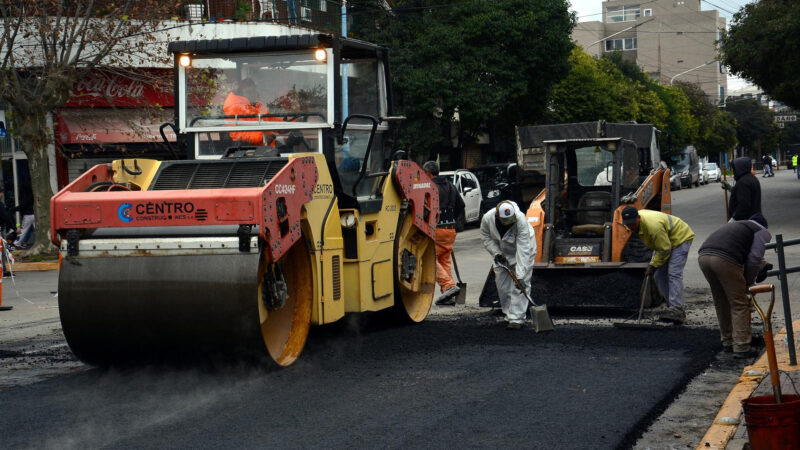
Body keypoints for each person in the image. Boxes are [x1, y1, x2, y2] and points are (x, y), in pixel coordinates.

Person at [698, 213, 770, 358]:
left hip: (704, 257)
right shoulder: (761, 230)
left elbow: (745, 254)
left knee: (721, 302)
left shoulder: (738, 226)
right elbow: (754, 259)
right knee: (739, 303)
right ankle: (742, 346)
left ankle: (728, 342)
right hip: (724, 259)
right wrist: (749, 283)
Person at [620, 207, 695, 324]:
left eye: (633, 224)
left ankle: (677, 309)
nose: (631, 227)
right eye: (628, 224)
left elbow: (664, 250)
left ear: (638, 218)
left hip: (680, 238)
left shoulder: (653, 227)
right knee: (659, 276)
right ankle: (671, 306)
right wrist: (654, 265)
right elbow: (661, 246)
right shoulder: (630, 224)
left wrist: (653, 265)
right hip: (663, 241)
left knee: (674, 273)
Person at [480, 200, 536, 329]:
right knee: (503, 286)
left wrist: (521, 275)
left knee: (519, 287)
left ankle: (517, 319)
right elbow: (485, 236)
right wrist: (497, 253)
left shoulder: (520, 219)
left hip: (521, 251)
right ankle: (508, 315)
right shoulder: (487, 218)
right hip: (502, 252)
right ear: (498, 217)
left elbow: (523, 248)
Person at [423, 161, 466, 306]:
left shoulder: (429, 187)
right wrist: (453, 219)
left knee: (428, 259)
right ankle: (449, 296)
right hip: (450, 229)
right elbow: (461, 205)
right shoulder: (451, 186)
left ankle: (448, 286)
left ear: (428, 173)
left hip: (437, 230)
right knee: (443, 260)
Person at [223, 78, 275, 146]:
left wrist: (285, 124)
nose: (252, 94)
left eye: (254, 91)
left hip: (268, 147)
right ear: (241, 94)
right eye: (249, 92)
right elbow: (236, 134)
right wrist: (262, 137)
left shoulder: (257, 106)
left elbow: (271, 119)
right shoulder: (234, 107)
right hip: (250, 150)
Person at [722, 157, 762, 222]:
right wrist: (730, 188)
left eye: (734, 168)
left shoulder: (743, 182)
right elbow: (742, 193)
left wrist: (734, 219)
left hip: (744, 222)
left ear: (740, 168)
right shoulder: (752, 178)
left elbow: (744, 205)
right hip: (754, 219)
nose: (733, 170)